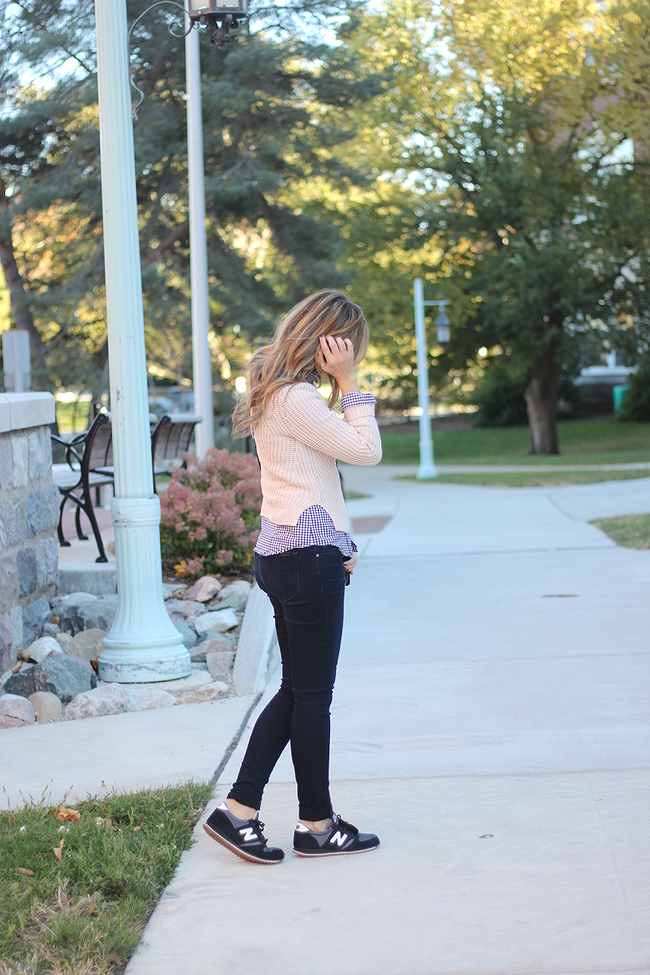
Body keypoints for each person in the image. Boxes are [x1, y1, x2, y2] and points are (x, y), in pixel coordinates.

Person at [203, 290, 382, 864]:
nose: (350, 355)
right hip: (305, 560)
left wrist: (338, 540)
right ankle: (307, 822)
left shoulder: (275, 392)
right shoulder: (297, 398)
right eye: (349, 346)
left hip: (290, 553)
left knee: (299, 692)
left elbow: (306, 478)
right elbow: (366, 451)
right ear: (330, 342)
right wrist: (349, 383)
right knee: (312, 698)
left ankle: (251, 812)